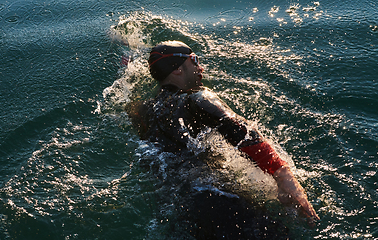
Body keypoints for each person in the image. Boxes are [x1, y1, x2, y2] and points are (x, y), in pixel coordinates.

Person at [126, 40, 319, 236]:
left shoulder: (142, 111)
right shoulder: (197, 98)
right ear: (176, 69)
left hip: (180, 206)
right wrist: (284, 176)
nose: (200, 67)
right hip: (218, 199)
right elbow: (242, 132)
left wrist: (128, 68)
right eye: (194, 60)